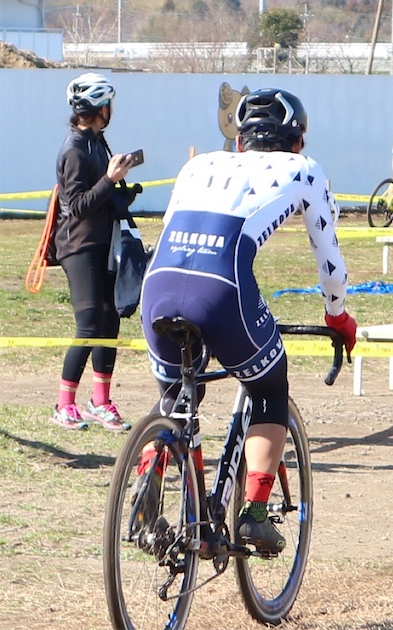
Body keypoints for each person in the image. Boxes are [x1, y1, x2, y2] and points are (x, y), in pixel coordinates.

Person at [138, 88, 357, 554]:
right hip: (223, 289)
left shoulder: (198, 166)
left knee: (180, 396)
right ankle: (255, 512)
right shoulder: (304, 169)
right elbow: (331, 264)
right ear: (298, 140)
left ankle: (155, 472)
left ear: (239, 141)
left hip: (158, 282)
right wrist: (337, 317)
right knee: (268, 387)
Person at [51, 73, 139, 431]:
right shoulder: (74, 148)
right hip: (79, 246)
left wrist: (123, 190)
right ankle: (63, 404)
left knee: (109, 320)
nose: (111, 110)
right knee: (88, 325)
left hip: (103, 243)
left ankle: (100, 401)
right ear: (101, 108)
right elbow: (78, 205)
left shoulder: (96, 141)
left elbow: (99, 197)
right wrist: (109, 180)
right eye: (109, 105)